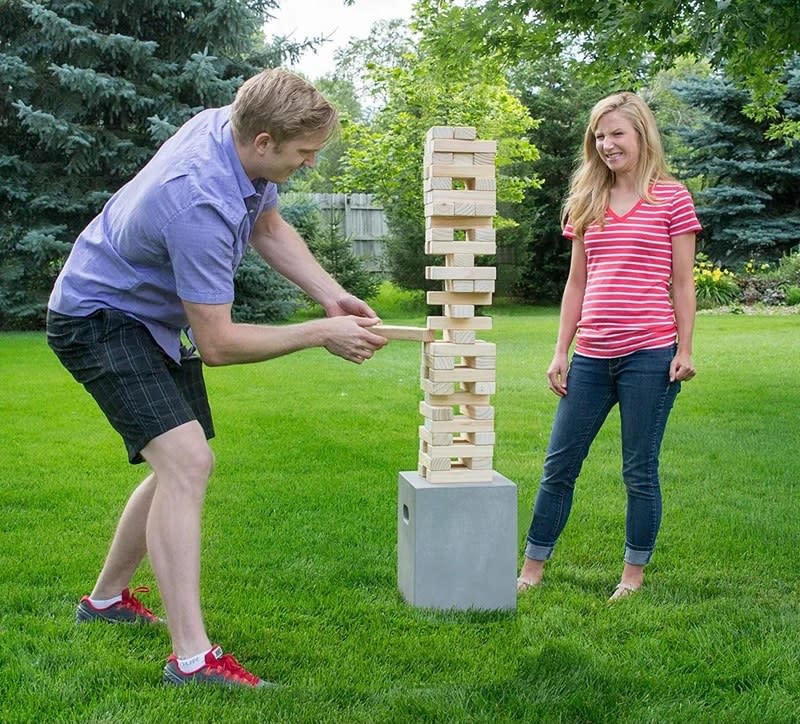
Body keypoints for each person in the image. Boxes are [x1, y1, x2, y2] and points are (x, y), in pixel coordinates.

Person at [46, 68, 387, 687]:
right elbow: (221, 343)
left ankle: (106, 601)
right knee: (186, 462)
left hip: (141, 315)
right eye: (304, 155)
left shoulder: (229, 131)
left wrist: (332, 297)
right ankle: (193, 659)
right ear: (262, 141)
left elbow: (267, 226)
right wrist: (319, 334)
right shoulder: (199, 201)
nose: (310, 165)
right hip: (98, 318)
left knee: (182, 459)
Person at [516, 92, 701, 602]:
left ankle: (632, 577)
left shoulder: (672, 198)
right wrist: (561, 350)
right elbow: (576, 283)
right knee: (559, 466)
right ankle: (531, 568)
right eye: (599, 135)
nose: (606, 144)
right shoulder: (586, 200)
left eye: (617, 133)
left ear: (642, 135)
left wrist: (685, 349)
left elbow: (682, 283)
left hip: (650, 353)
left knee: (638, 470)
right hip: (592, 357)